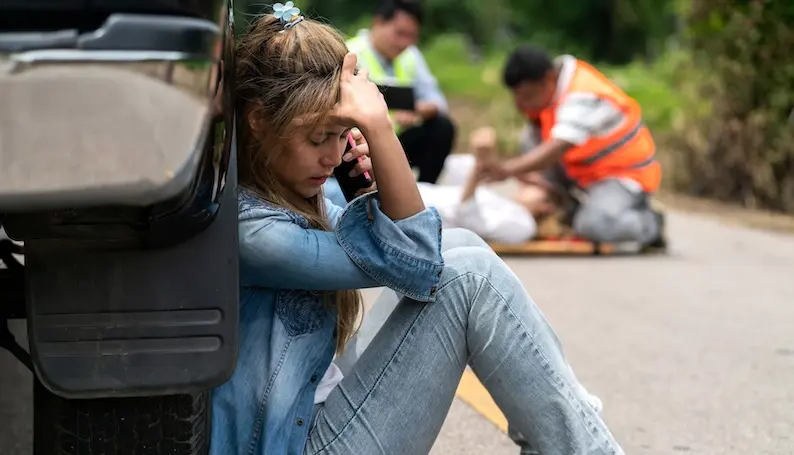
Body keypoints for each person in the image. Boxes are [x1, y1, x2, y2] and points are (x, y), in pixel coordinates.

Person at [211, 8, 626, 455]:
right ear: (257, 120)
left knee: (464, 247)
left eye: (343, 135)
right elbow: (416, 261)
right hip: (294, 445)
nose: (333, 157)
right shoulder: (253, 232)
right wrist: (380, 129)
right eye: (317, 139)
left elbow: (420, 251)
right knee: (469, 277)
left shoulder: (281, 198)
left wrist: (365, 185)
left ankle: (569, 439)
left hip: (313, 418)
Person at [478, 44, 666, 248]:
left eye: (527, 97)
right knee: (529, 142)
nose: (522, 105)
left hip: (622, 176)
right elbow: (537, 146)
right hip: (582, 174)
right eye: (517, 98)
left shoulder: (583, 93)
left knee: (593, 225)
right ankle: (566, 209)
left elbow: (559, 146)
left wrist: (507, 170)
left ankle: (649, 224)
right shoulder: (546, 96)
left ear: (548, 79)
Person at [324, 127, 556, 244]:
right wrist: (488, 160)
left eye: (540, 187)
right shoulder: (504, 202)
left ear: (546, 207)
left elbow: (469, 219)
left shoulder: (523, 225)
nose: (532, 183)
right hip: (389, 193)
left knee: (320, 197)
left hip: (395, 212)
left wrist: (477, 173)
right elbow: (457, 167)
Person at [344, 0, 455, 184]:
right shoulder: (351, 53)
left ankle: (425, 190)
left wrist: (418, 110)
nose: (405, 42)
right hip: (362, 140)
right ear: (378, 23)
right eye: (399, 33)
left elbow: (438, 101)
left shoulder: (411, 56)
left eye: (412, 36)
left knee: (442, 127)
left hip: (399, 138)